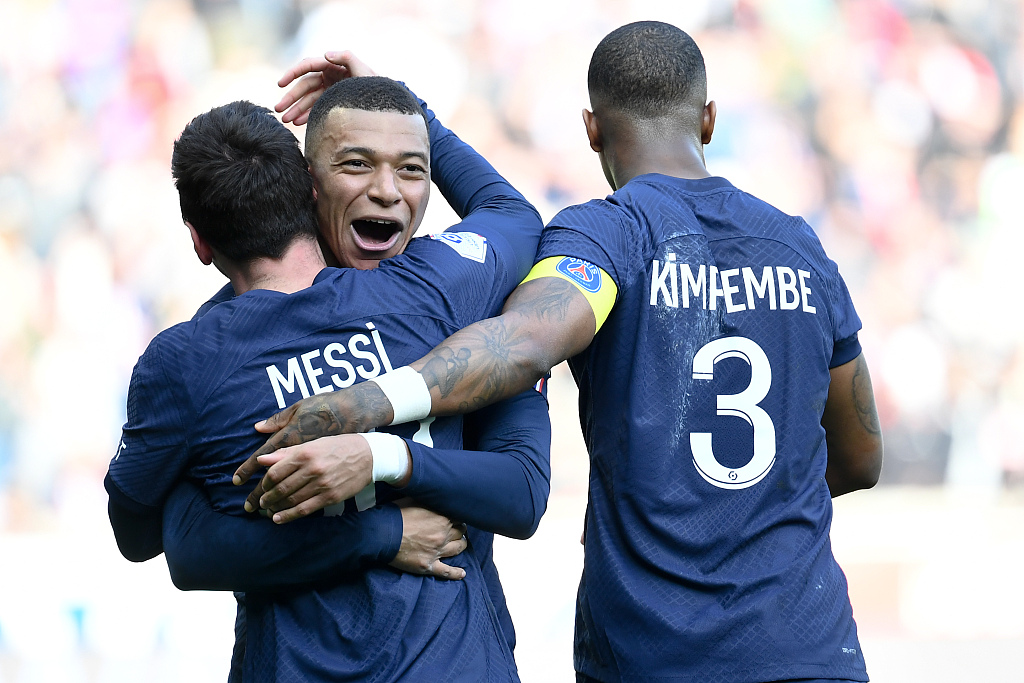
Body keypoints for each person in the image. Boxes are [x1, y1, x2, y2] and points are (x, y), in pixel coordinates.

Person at [242, 22, 885, 683]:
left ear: (591, 129)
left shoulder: (608, 234)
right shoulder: (801, 250)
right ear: (710, 119)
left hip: (658, 652)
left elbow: (522, 344)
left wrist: (367, 401)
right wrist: (746, 508)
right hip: (811, 647)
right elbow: (861, 457)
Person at [105, 72, 548, 681]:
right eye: (359, 165)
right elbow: (511, 214)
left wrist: (199, 457)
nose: (387, 192)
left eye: (409, 167)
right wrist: (412, 111)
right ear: (309, 193)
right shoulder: (441, 290)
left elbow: (145, 535)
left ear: (200, 242)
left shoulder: (187, 362)